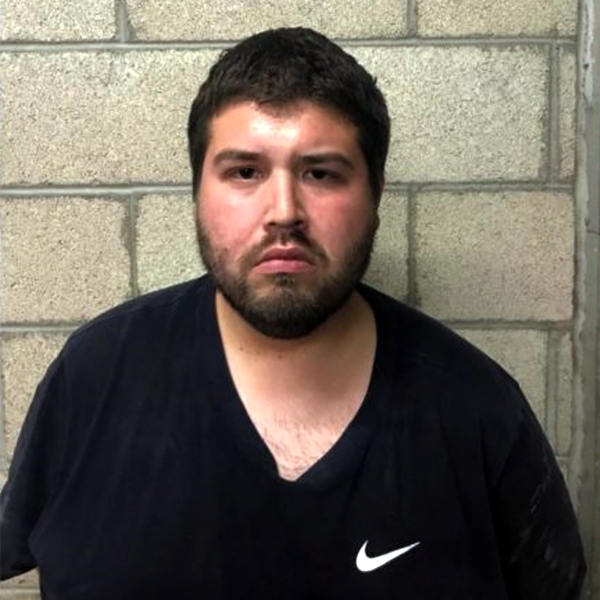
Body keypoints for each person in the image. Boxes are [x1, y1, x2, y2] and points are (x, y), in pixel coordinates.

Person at [0, 27, 586, 599]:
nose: (284, 212)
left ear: (376, 193)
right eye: (245, 172)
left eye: (321, 173)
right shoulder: (95, 377)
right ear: (198, 190)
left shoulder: (477, 408)